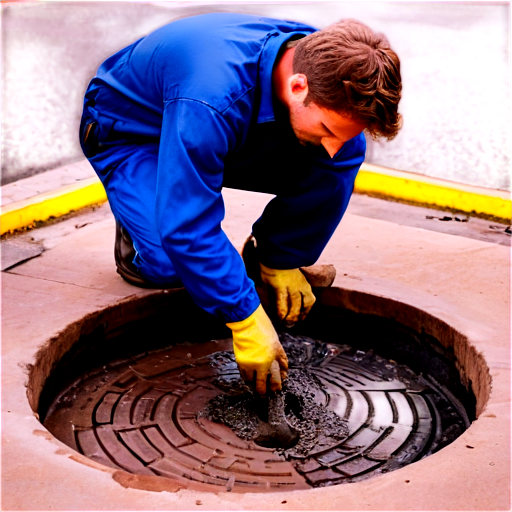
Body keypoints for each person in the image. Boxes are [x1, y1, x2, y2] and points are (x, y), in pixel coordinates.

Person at [79, 12, 402, 396]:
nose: (332, 143)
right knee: (170, 257)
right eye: (328, 129)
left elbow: (335, 150)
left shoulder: (331, 67)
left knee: (342, 154)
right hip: (134, 131)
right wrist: (245, 318)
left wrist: (281, 258)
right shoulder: (212, 97)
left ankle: (267, 255)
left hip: (219, 124)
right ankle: (140, 235)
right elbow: (189, 228)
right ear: (298, 86)